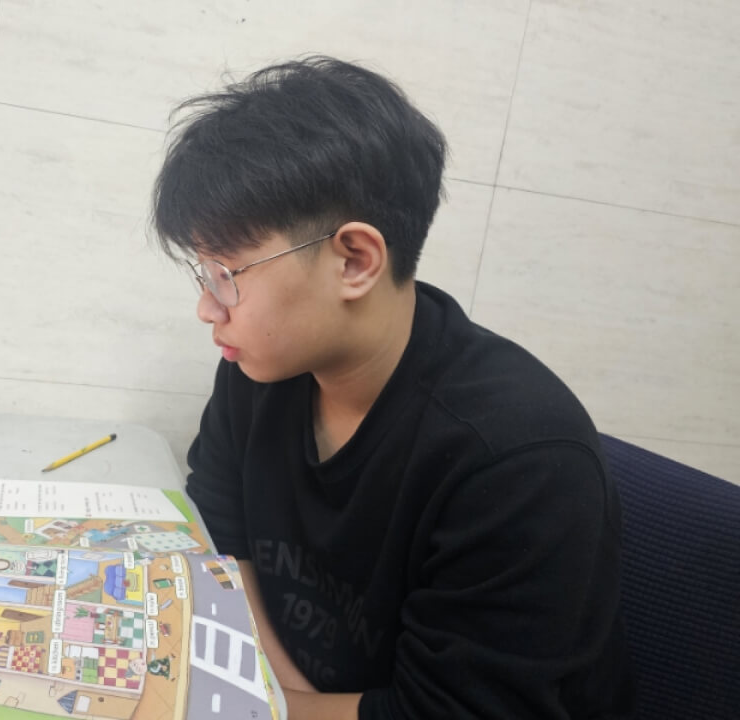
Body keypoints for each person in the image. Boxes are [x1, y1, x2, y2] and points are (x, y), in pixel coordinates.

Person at [151, 56, 633, 719]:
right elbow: (220, 537)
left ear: (354, 261)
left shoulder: (516, 457)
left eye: (226, 274)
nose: (208, 308)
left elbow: (445, 712)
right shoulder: (260, 367)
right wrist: (275, 697)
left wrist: (261, 707)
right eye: (202, 272)